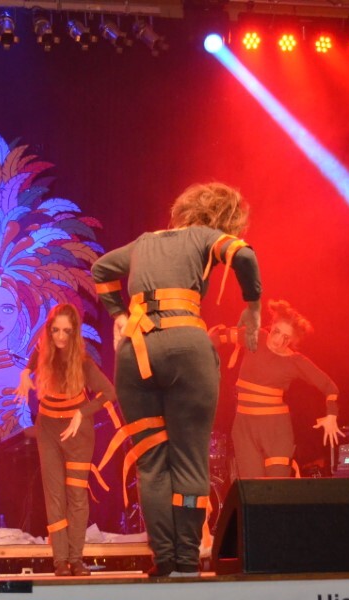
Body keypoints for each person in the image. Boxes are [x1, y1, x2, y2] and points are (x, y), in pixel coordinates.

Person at [92, 182, 262, 577]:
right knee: (188, 458)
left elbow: (101, 269)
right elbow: (244, 256)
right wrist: (253, 306)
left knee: (151, 463)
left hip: (136, 353)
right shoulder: (205, 237)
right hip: (186, 347)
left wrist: (119, 314)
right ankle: (186, 560)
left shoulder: (143, 243)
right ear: (225, 220)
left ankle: (163, 560)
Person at [15, 303, 118, 577]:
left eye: (66, 331)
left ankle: (76, 559)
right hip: (49, 429)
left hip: (77, 434)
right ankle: (60, 561)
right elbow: (32, 361)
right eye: (56, 330)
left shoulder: (83, 362)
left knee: (76, 496)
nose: (60, 336)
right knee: (54, 496)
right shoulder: (44, 351)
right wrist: (25, 374)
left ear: (75, 333)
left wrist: (82, 413)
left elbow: (109, 392)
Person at [211, 298, 342, 478]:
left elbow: (330, 387)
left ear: (292, 340)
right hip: (244, 429)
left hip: (276, 431)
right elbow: (222, 335)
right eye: (277, 332)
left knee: (277, 487)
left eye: (286, 338)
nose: (279, 341)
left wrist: (332, 415)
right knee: (253, 489)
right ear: (271, 326)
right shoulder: (255, 337)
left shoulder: (295, 361)